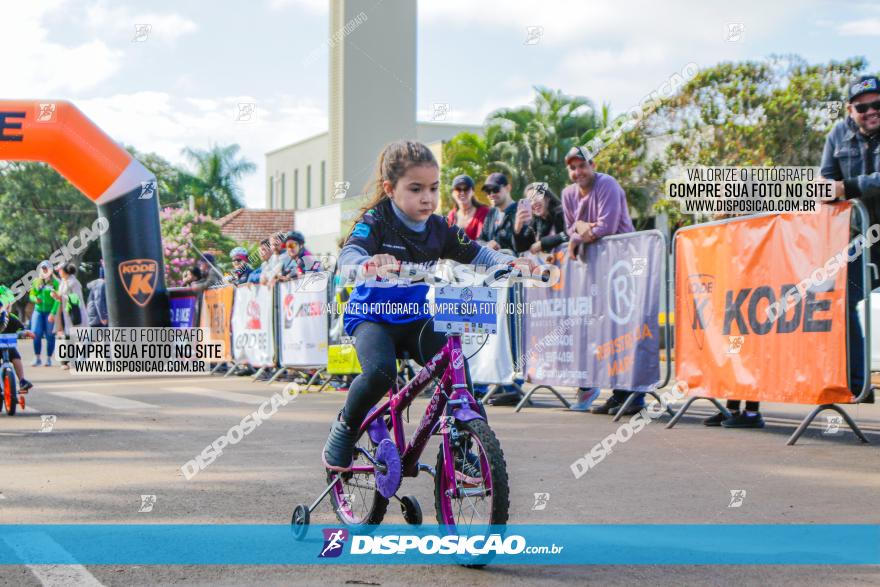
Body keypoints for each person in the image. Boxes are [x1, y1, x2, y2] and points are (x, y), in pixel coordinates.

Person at [322, 140, 536, 471]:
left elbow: (478, 253)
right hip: (373, 319)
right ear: (390, 189)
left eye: (434, 188)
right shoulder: (375, 220)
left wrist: (511, 263)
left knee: (457, 369)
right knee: (380, 373)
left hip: (416, 320)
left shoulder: (439, 228)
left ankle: (462, 443)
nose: (428, 198)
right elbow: (350, 254)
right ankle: (346, 427)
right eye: (416, 188)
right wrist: (367, 262)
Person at [560, 146, 642, 415]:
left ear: (593, 164)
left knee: (625, 329)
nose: (578, 172)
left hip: (624, 264)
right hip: (596, 269)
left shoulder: (607, 184)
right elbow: (571, 226)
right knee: (605, 330)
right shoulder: (568, 194)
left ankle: (635, 396)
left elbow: (606, 227)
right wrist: (581, 232)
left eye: (582, 165)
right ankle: (618, 394)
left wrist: (579, 233)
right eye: (572, 167)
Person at [820, 74, 880, 406]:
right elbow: (827, 179)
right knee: (844, 305)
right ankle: (859, 385)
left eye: (877, 104)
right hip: (860, 236)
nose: (871, 111)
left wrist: (848, 187)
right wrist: (826, 189)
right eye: (862, 107)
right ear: (850, 108)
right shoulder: (838, 134)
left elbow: (850, 185)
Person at [513, 182, 568, 254]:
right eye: (530, 201)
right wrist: (517, 229)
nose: (533, 203)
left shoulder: (562, 213)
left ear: (547, 198)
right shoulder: (536, 221)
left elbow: (568, 234)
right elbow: (521, 248)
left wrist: (542, 243)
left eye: (536, 197)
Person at [0, 285, 35, 393]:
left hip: (6, 346)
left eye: (9, 304)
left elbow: (20, 328)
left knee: (15, 356)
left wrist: (26, 332)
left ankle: (22, 381)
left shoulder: (12, 318)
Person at [51, 263, 85, 370]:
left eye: (60, 270)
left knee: (70, 337)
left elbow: (76, 298)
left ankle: (72, 362)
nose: (59, 272)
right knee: (63, 336)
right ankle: (66, 362)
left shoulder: (73, 283)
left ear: (65, 271)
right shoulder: (63, 282)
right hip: (63, 313)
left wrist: (60, 297)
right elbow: (62, 296)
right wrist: (57, 296)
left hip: (72, 314)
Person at [477, 172, 518, 252]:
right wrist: (488, 244)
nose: (491, 194)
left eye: (495, 189)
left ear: (508, 188)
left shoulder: (520, 212)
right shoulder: (491, 213)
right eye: (488, 191)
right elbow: (479, 240)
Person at [28, 260, 59, 367]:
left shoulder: (56, 283)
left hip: (50, 312)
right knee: (35, 333)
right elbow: (31, 295)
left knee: (50, 335)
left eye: (46, 268)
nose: (44, 270)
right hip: (38, 311)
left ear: (50, 270)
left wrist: (53, 313)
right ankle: (37, 358)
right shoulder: (36, 282)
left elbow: (58, 299)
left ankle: (49, 358)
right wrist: (35, 299)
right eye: (42, 268)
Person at [446, 174, 489, 240]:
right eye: (458, 189)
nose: (462, 192)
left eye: (466, 189)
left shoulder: (484, 212)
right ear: (453, 193)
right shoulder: (451, 215)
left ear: (473, 192)